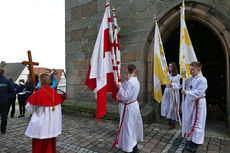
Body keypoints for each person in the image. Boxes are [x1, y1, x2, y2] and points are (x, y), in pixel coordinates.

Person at [25, 73, 63, 153]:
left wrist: (33, 96)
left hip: (41, 127)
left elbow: (30, 109)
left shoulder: (38, 93)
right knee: (50, 145)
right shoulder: (55, 93)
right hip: (52, 125)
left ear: (41, 82)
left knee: (39, 146)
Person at [113, 64, 143, 153]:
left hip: (129, 107)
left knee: (128, 128)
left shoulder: (131, 82)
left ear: (127, 71)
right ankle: (134, 147)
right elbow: (125, 87)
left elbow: (125, 95)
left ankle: (129, 148)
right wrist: (120, 81)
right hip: (133, 105)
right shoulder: (134, 81)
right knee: (132, 127)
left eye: (126, 71)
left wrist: (119, 87)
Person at [181, 61, 207, 153]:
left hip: (198, 103)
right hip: (191, 103)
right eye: (190, 69)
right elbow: (183, 84)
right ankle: (191, 139)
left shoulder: (203, 80)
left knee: (197, 122)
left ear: (199, 69)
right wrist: (182, 76)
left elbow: (199, 92)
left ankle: (196, 143)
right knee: (190, 120)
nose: (191, 71)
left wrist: (187, 92)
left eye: (192, 69)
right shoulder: (190, 78)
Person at [161, 62, 181, 129]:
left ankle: (173, 122)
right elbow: (165, 82)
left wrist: (173, 84)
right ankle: (169, 119)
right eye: (169, 66)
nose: (169, 68)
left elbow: (179, 85)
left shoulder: (178, 76)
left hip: (174, 92)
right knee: (168, 105)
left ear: (174, 67)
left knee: (173, 107)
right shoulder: (168, 75)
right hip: (167, 92)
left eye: (171, 66)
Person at [0, 69, 15, 134]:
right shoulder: (8, 81)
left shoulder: (7, 81)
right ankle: (3, 130)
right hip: (5, 101)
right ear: (3, 73)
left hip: (4, 100)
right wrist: (9, 99)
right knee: (4, 116)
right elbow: (12, 92)